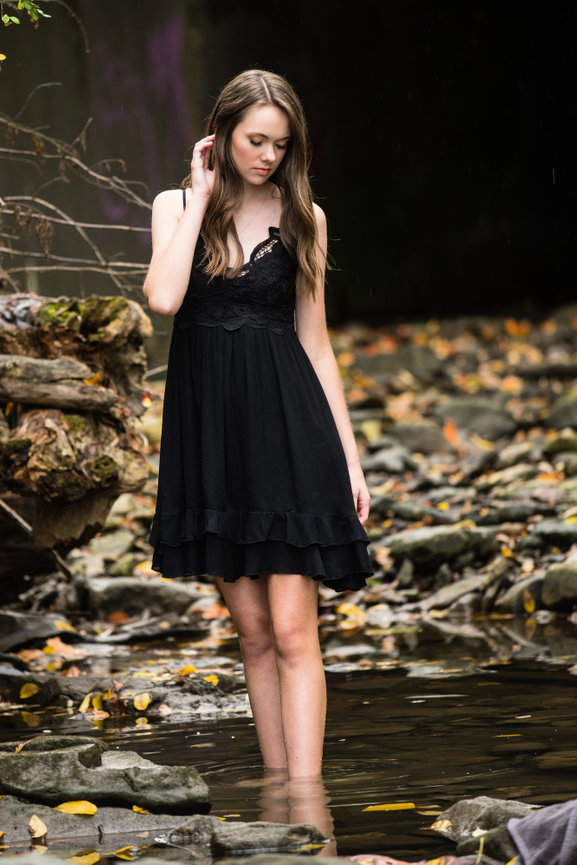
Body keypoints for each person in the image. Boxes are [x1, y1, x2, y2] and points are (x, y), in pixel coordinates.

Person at [144, 69, 373, 778]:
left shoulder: (303, 217)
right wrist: (203, 195)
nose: (268, 156)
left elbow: (316, 344)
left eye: (280, 144)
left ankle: (307, 807)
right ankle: (280, 802)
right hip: (212, 441)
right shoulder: (176, 205)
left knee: (293, 629)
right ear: (220, 135)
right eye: (254, 140)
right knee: (251, 634)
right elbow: (162, 297)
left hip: (290, 432)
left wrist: (350, 458)